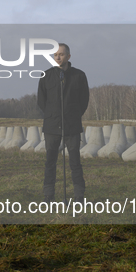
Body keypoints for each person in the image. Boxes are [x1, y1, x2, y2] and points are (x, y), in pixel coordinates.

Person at [37, 43, 89, 203]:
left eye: (61, 54)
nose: (58, 57)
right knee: (50, 162)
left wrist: (72, 114)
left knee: (75, 162)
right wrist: (53, 115)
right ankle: (49, 195)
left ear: (68, 56)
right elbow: (41, 101)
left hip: (72, 125)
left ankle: (79, 196)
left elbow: (84, 100)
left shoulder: (79, 76)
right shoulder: (46, 76)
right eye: (56, 55)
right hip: (52, 126)